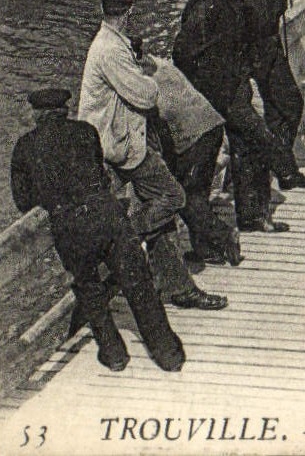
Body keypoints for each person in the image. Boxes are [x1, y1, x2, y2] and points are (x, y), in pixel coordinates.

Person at [11, 88, 185, 374]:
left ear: (37, 115)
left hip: (69, 224)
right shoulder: (86, 132)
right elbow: (100, 171)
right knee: (138, 282)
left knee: (88, 286)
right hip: (107, 215)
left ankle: (113, 353)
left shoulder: (24, 147)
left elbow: (23, 200)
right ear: (64, 110)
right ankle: (169, 354)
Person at [79, 0, 225, 310]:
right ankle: (126, 236)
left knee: (160, 218)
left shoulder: (109, 45)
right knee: (173, 197)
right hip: (120, 148)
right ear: (129, 11)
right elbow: (146, 94)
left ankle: (178, 287)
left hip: (129, 142)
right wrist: (146, 78)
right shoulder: (111, 50)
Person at [173, 0, 305, 234]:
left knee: (245, 147)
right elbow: (184, 51)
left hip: (231, 87)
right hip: (222, 91)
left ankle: (251, 216)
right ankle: (270, 193)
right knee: (259, 140)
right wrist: (209, 84)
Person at [136, 39, 241, 267]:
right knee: (198, 193)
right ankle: (204, 250)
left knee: (184, 196)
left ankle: (223, 235)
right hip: (209, 125)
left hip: (195, 136)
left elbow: (161, 125)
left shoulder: (143, 83)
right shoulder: (158, 63)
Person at [232, 0, 305, 159]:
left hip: (260, 51)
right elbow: (262, 18)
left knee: (275, 111)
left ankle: (274, 164)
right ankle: (278, 162)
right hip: (262, 52)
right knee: (291, 105)